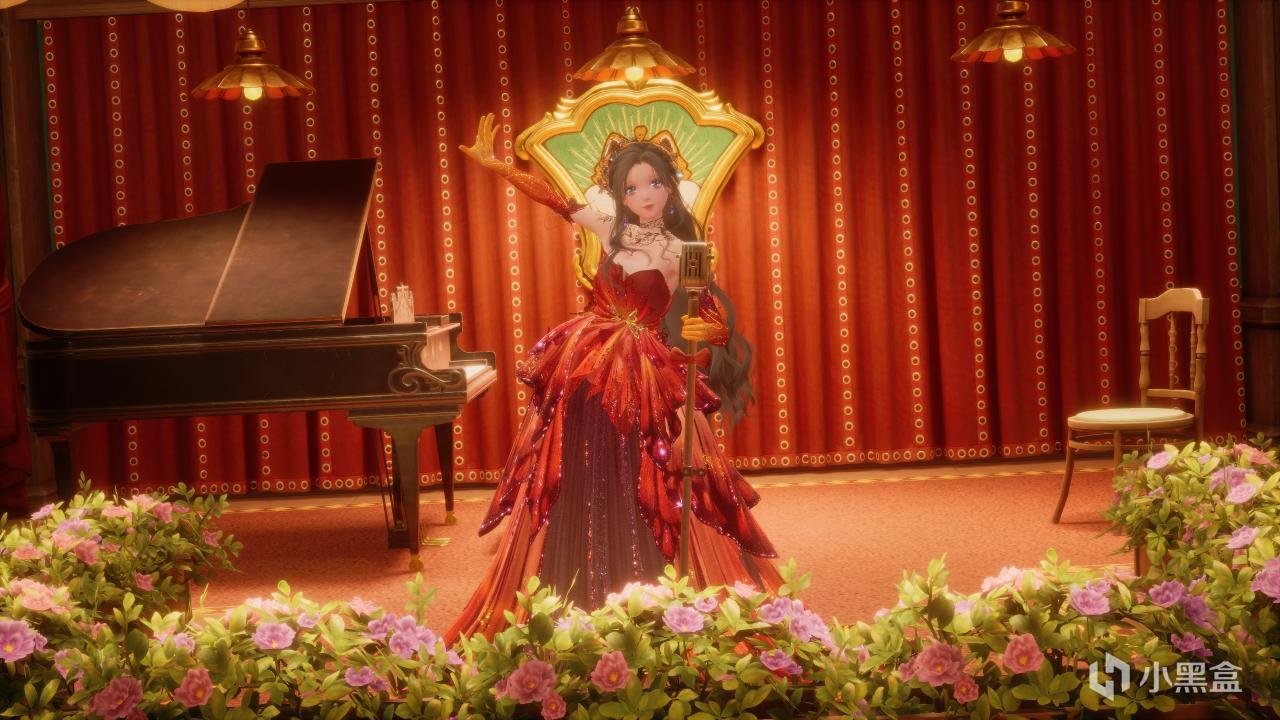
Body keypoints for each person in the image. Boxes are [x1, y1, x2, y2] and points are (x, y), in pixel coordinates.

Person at [447, 114, 780, 639]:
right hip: (584, 365)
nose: (644, 195)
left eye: (654, 183)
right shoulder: (611, 230)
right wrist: (500, 168)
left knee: (644, 465)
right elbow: (556, 201)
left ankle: (644, 569)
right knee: (577, 463)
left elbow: (709, 315)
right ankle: (575, 565)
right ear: (621, 195)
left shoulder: (686, 252)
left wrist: (709, 332)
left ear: (669, 188)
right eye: (631, 187)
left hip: (643, 370)